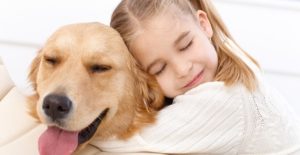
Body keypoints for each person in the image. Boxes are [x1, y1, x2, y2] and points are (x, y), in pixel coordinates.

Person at [91, 0, 300, 154]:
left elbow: (131, 143)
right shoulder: (230, 61)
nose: (182, 69)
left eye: (186, 45)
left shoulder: (227, 96)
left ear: (204, 24)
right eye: (159, 69)